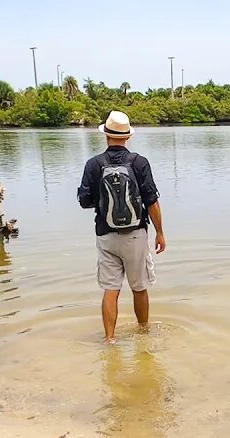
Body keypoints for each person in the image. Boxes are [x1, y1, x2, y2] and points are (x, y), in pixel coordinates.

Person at [77, 110, 166, 343]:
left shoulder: (93, 164)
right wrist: (160, 232)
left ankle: (109, 339)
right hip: (135, 234)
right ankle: (143, 332)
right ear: (127, 137)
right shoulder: (139, 163)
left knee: (110, 289)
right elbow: (151, 201)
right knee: (139, 287)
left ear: (106, 135)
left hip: (105, 235)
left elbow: (84, 202)